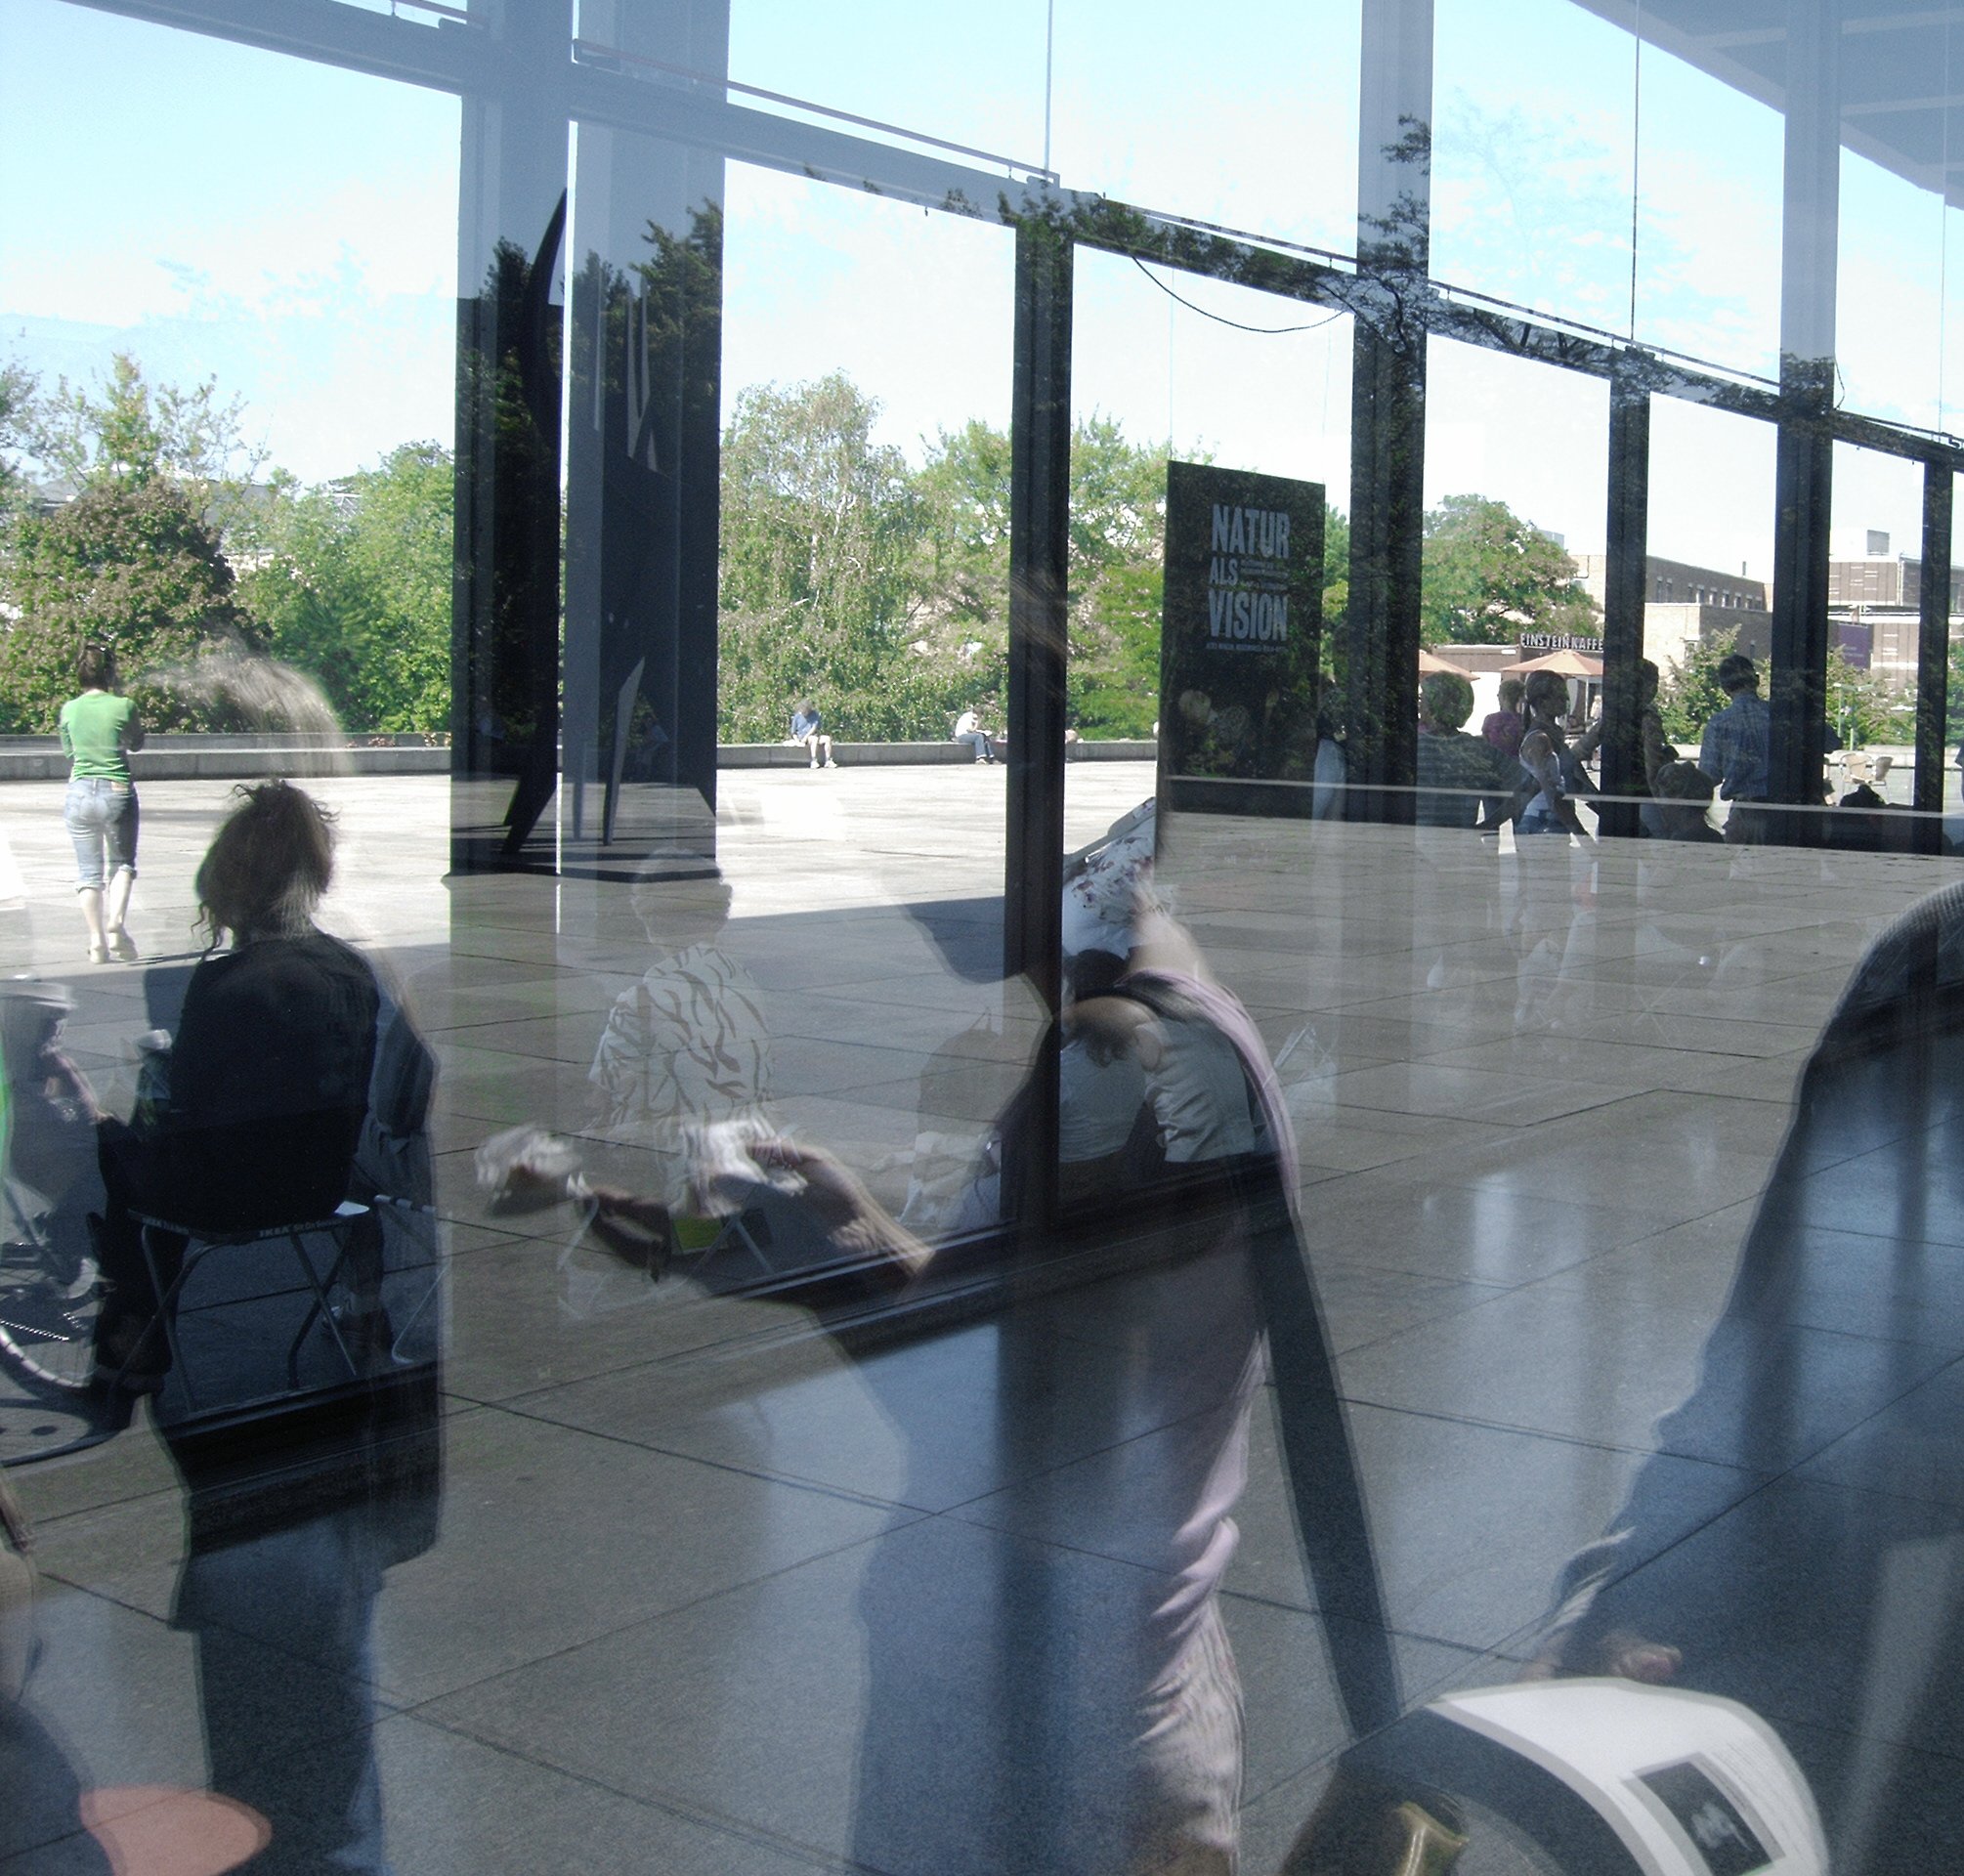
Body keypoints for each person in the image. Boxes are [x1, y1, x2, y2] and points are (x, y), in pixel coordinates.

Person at [89, 779, 437, 1876]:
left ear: (225, 883)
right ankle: (333, 1836)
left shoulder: (226, 990)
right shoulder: (357, 978)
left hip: (241, 1324)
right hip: (336, 1315)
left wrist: (109, 1148)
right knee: (325, 1618)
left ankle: (285, 1834)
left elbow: (208, 1178)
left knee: (263, 1620)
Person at [59, 640, 144, 964]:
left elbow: (70, 752)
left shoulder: (69, 709)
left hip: (79, 792)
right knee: (122, 863)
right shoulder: (124, 705)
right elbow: (136, 743)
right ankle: (116, 923)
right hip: (117, 790)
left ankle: (96, 942)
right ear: (109, 673)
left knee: (87, 872)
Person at [1415, 670, 1509, 829]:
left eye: (1422, 698)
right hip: (1461, 839)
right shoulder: (1479, 749)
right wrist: (1489, 824)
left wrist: (1489, 824)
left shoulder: (1415, 746)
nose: (1419, 705)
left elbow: (1528, 786)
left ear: (1436, 703)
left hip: (1416, 837)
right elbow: (1527, 786)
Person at [1697, 651, 1771, 843]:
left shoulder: (1719, 723)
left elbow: (1709, 775)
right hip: (1784, 811)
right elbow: (1832, 742)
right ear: (1757, 680)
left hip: (1745, 812)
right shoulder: (1779, 715)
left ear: (1724, 688)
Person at [1480, 676, 1526, 762]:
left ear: (1504, 696)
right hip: (1517, 765)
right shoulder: (1525, 720)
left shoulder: (1490, 720)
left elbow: (1484, 745)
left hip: (1495, 763)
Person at [788, 698, 834, 769]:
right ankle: (814, 760)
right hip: (802, 736)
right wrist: (797, 741)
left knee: (827, 738)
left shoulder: (814, 714)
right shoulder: (797, 717)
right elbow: (793, 732)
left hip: (812, 735)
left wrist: (807, 736)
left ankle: (828, 760)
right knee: (814, 739)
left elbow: (814, 727)